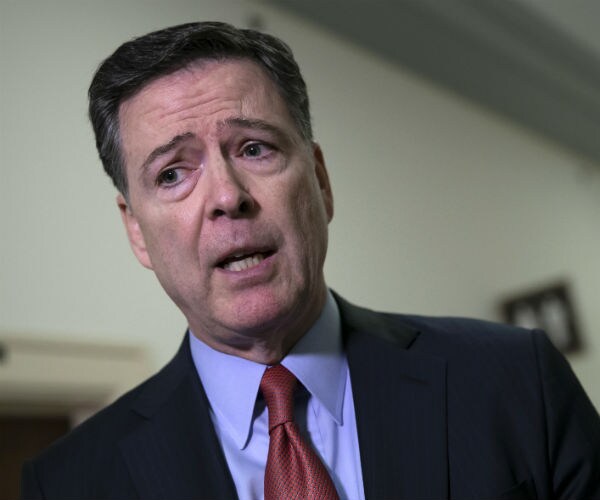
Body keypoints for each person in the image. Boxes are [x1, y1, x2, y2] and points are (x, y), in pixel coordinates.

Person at [21, 21, 600, 500]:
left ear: (320, 182)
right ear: (136, 230)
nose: (227, 196)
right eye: (172, 173)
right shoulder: (68, 484)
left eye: (254, 148)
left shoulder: (516, 382)